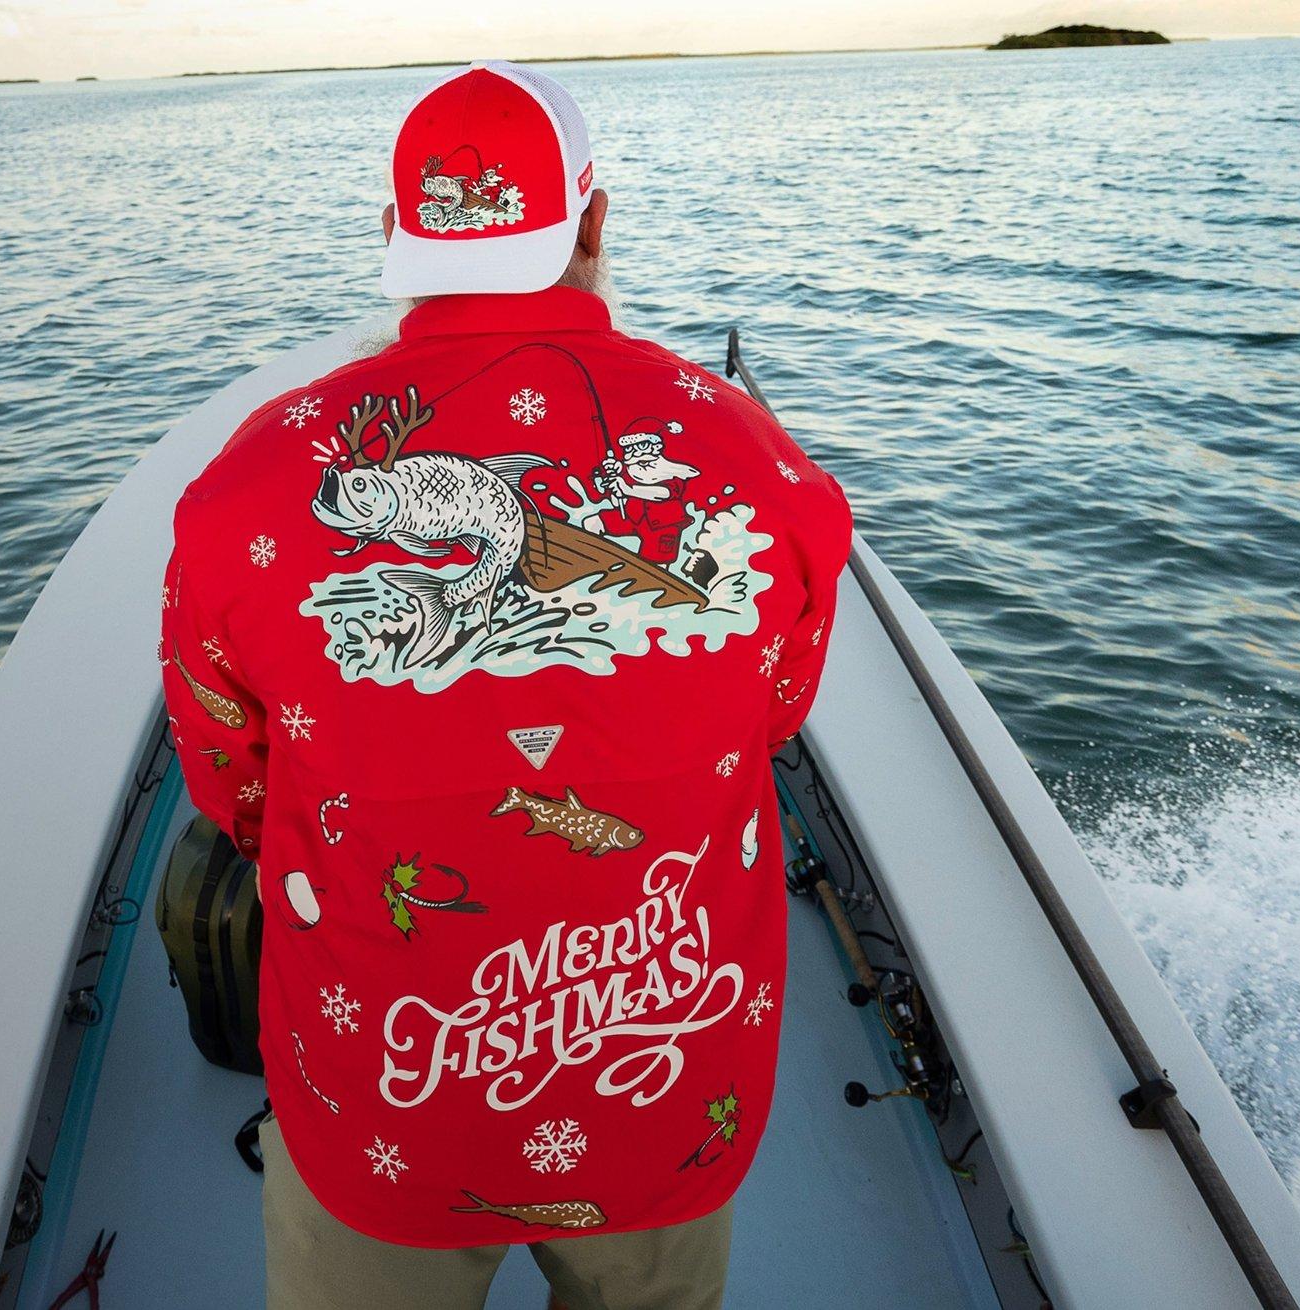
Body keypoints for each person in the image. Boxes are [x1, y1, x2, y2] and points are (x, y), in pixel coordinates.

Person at [160, 60, 851, 1310]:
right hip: (663, 1088)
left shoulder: (242, 489)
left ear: (394, 239)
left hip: (381, 1095)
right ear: (592, 223)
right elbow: (776, 710)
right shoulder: (756, 457)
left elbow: (232, 783)